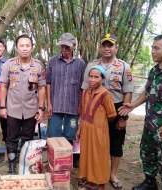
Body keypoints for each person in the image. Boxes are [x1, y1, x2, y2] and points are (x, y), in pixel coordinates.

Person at [119, 35, 162, 190]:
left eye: (156, 48)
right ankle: (150, 182)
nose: (152, 51)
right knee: (147, 152)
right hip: (150, 122)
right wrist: (132, 105)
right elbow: (147, 92)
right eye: (152, 47)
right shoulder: (154, 70)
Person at [82, 34, 134, 189]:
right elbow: (85, 90)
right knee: (95, 143)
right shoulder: (92, 65)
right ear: (100, 47)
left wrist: (124, 116)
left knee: (116, 143)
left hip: (116, 108)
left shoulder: (124, 66)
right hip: (95, 110)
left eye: (110, 45)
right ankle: (93, 174)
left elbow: (128, 91)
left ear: (116, 48)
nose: (107, 48)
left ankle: (113, 174)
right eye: (104, 45)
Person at [0, 34, 46, 174]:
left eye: (27, 45)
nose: (25, 48)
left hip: (31, 109)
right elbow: (3, 86)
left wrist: (41, 108)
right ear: (17, 48)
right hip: (12, 109)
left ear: (32, 48)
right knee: (11, 138)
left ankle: (25, 163)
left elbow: (42, 87)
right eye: (22, 45)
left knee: (28, 138)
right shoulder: (9, 64)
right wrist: (2, 107)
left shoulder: (38, 65)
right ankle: (12, 165)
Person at [46, 32, 85, 168]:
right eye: (62, 46)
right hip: (56, 105)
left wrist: (81, 105)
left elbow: (82, 87)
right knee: (53, 132)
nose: (64, 50)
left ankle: (68, 159)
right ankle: (53, 158)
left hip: (73, 107)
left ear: (74, 47)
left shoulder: (80, 64)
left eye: (67, 47)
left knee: (71, 133)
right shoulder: (52, 61)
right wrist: (48, 103)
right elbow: (48, 83)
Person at [77, 65, 116, 190]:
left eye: (96, 77)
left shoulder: (105, 94)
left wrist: (100, 125)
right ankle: (89, 179)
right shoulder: (85, 92)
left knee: (99, 156)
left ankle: (100, 183)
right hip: (86, 129)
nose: (92, 79)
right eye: (91, 76)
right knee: (87, 154)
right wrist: (79, 129)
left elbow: (111, 114)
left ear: (102, 79)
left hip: (99, 131)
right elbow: (83, 112)